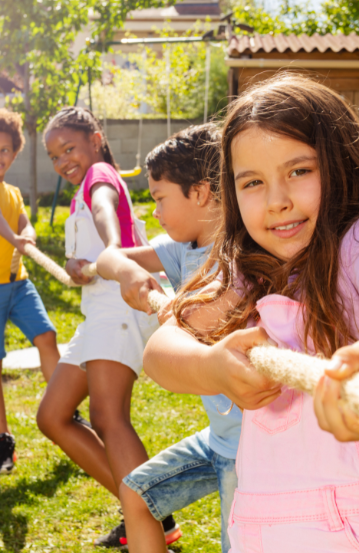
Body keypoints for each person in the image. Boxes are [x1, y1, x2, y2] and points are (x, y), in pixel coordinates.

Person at [143, 74, 359, 552]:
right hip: (273, 524)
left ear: (342, 164)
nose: (278, 199)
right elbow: (161, 350)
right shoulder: (251, 270)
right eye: (253, 182)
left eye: (300, 171)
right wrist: (211, 364)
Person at [94, 124, 240, 553]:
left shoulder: (244, 256)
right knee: (137, 494)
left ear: (201, 192)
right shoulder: (182, 250)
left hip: (252, 449)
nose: (154, 211)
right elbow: (108, 257)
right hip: (219, 437)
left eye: (160, 198)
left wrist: (170, 303)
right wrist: (128, 271)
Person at [35, 106, 176, 548]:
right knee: (53, 416)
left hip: (120, 306)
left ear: (95, 139)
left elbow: (104, 208)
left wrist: (113, 249)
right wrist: (83, 265)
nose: (63, 162)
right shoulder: (81, 190)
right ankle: (151, 512)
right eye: (55, 156)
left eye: (69, 148)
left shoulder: (99, 175)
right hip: (97, 312)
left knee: (107, 417)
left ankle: (148, 522)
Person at [0, 106, 62, 475]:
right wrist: (17, 238)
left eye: (4, 150)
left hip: (17, 283)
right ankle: (4, 438)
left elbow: (22, 221)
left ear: (14, 152)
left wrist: (29, 234)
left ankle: (64, 408)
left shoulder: (14, 192)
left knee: (46, 336)